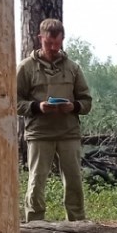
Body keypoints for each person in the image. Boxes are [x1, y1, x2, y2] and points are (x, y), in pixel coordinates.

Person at [17, 18, 94, 222]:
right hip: (39, 133)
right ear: (39, 38)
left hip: (68, 132)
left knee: (74, 181)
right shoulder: (25, 68)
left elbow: (86, 101)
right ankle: (35, 224)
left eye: (56, 43)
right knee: (36, 181)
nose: (52, 48)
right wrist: (37, 107)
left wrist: (73, 106)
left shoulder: (73, 68)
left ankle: (77, 224)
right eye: (48, 43)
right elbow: (13, 101)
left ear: (62, 40)